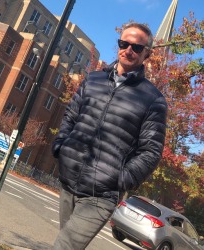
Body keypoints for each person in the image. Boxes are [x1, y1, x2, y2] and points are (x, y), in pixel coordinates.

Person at [52, 22, 168, 250]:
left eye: (136, 47)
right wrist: (61, 147)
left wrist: (120, 179)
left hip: (101, 193)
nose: (128, 50)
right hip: (68, 179)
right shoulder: (93, 80)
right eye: (124, 43)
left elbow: (151, 151)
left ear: (147, 54)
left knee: (64, 246)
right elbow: (71, 117)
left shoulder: (153, 99)